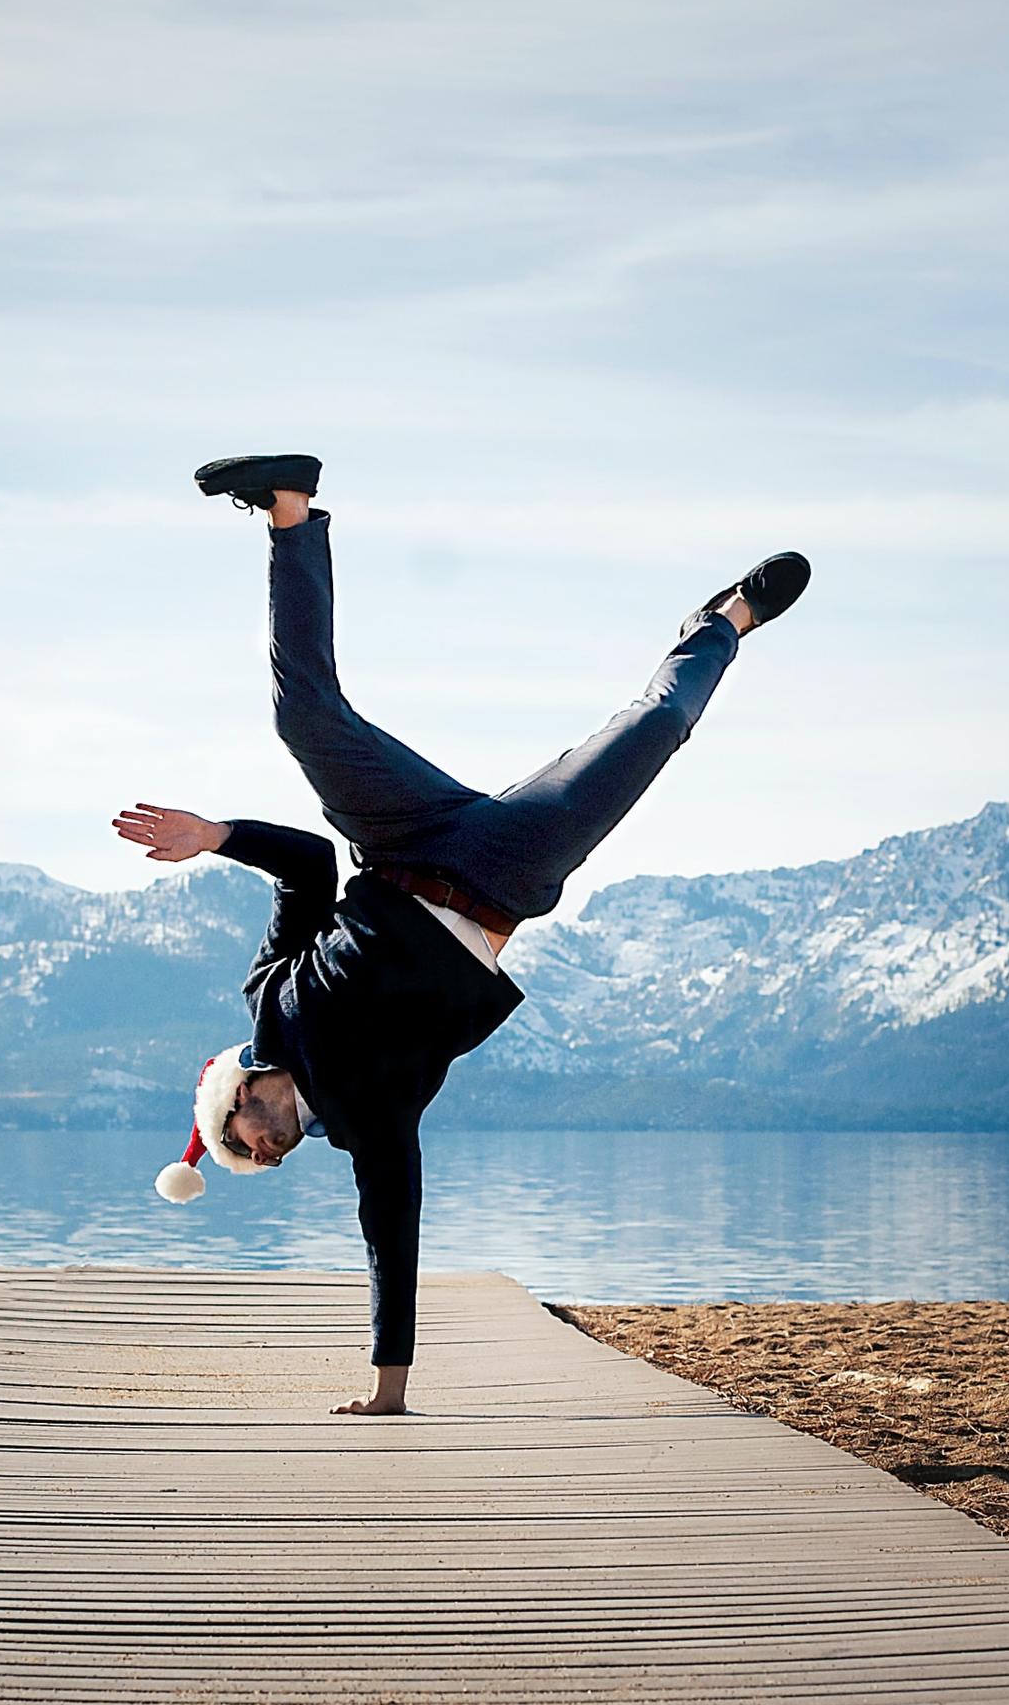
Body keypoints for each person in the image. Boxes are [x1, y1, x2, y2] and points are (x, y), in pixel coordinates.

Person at [117, 452, 807, 1415]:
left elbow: (311, 864)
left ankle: (288, 508)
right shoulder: (368, 1126)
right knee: (650, 734)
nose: (260, 1155)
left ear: (233, 1100)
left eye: (240, 1143)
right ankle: (725, 622)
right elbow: (390, 1230)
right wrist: (388, 1390)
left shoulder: (269, 998)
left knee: (304, 716)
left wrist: (215, 837)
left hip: (398, 835)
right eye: (260, 1161)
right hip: (505, 870)